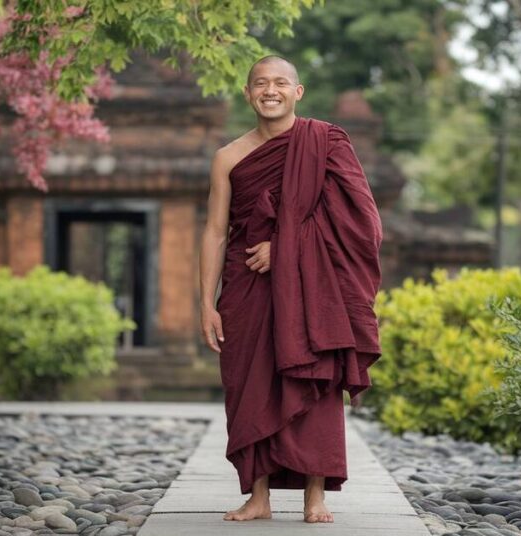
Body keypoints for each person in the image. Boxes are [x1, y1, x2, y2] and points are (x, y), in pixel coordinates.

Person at [198, 55, 383, 524]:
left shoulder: (326, 142)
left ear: (298, 92)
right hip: (246, 288)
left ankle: (314, 496)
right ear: (247, 93)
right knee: (248, 386)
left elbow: (360, 220)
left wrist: (283, 248)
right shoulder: (228, 157)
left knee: (312, 380)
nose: (270, 90)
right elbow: (215, 232)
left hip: (308, 288)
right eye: (261, 83)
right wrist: (205, 302)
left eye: (281, 82)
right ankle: (258, 496)